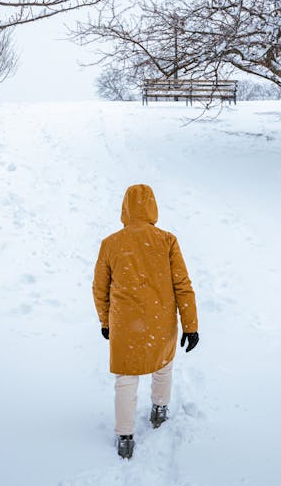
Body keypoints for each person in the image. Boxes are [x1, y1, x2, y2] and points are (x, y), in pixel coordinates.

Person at [92, 184, 199, 460]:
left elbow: (99, 288)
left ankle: (125, 436)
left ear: (125, 208)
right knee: (162, 367)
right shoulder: (167, 241)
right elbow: (182, 285)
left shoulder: (111, 243)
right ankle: (159, 411)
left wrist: (105, 321)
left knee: (126, 379)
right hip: (159, 319)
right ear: (153, 207)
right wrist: (190, 325)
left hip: (124, 323)